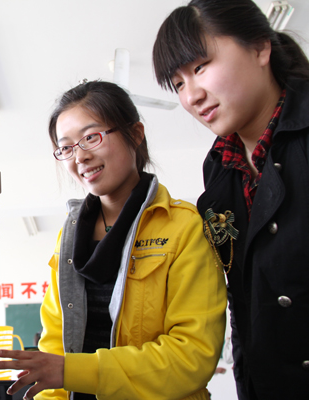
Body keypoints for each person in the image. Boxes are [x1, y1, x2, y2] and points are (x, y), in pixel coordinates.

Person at [0, 80, 226, 400]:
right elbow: (55, 347)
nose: (80, 156)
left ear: (135, 133)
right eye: (66, 147)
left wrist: (72, 371)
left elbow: (192, 356)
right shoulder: (68, 237)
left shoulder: (184, 227)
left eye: (91, 137)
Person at [152, 1, 309, 398]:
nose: (192, 95)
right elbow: (242, 303)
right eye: (178, 83)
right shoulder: (219, 171)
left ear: (259, 47)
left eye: (201, 67)